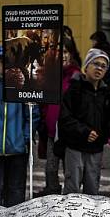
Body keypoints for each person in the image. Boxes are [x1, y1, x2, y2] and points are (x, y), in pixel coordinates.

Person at [0, 46, 38, 207]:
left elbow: (32, 114)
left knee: (16, 189)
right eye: (2, 61)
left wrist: (25, 137)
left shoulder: (25, 85)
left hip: (18, 148)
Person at [57, 48, 110, 195]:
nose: (99, 68)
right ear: (86, 66)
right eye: (96, 64)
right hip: (75, 147)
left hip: (95, 148)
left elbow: (108, 118)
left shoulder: (106, 92)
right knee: (72, 190)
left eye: (103, 66)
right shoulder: (74, 89)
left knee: (92, 190)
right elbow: (65, 119)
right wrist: (84, 132)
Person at [35, 36, 81, 197]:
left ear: (72, 54)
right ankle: (52, 196)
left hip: (68, 132)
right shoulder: (51, 75)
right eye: (58, 51)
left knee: (69, 169)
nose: (62, 55)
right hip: (50, 131)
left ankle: (69, 200)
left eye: (66, 51)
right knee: (50, 168)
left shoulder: (76, 77)